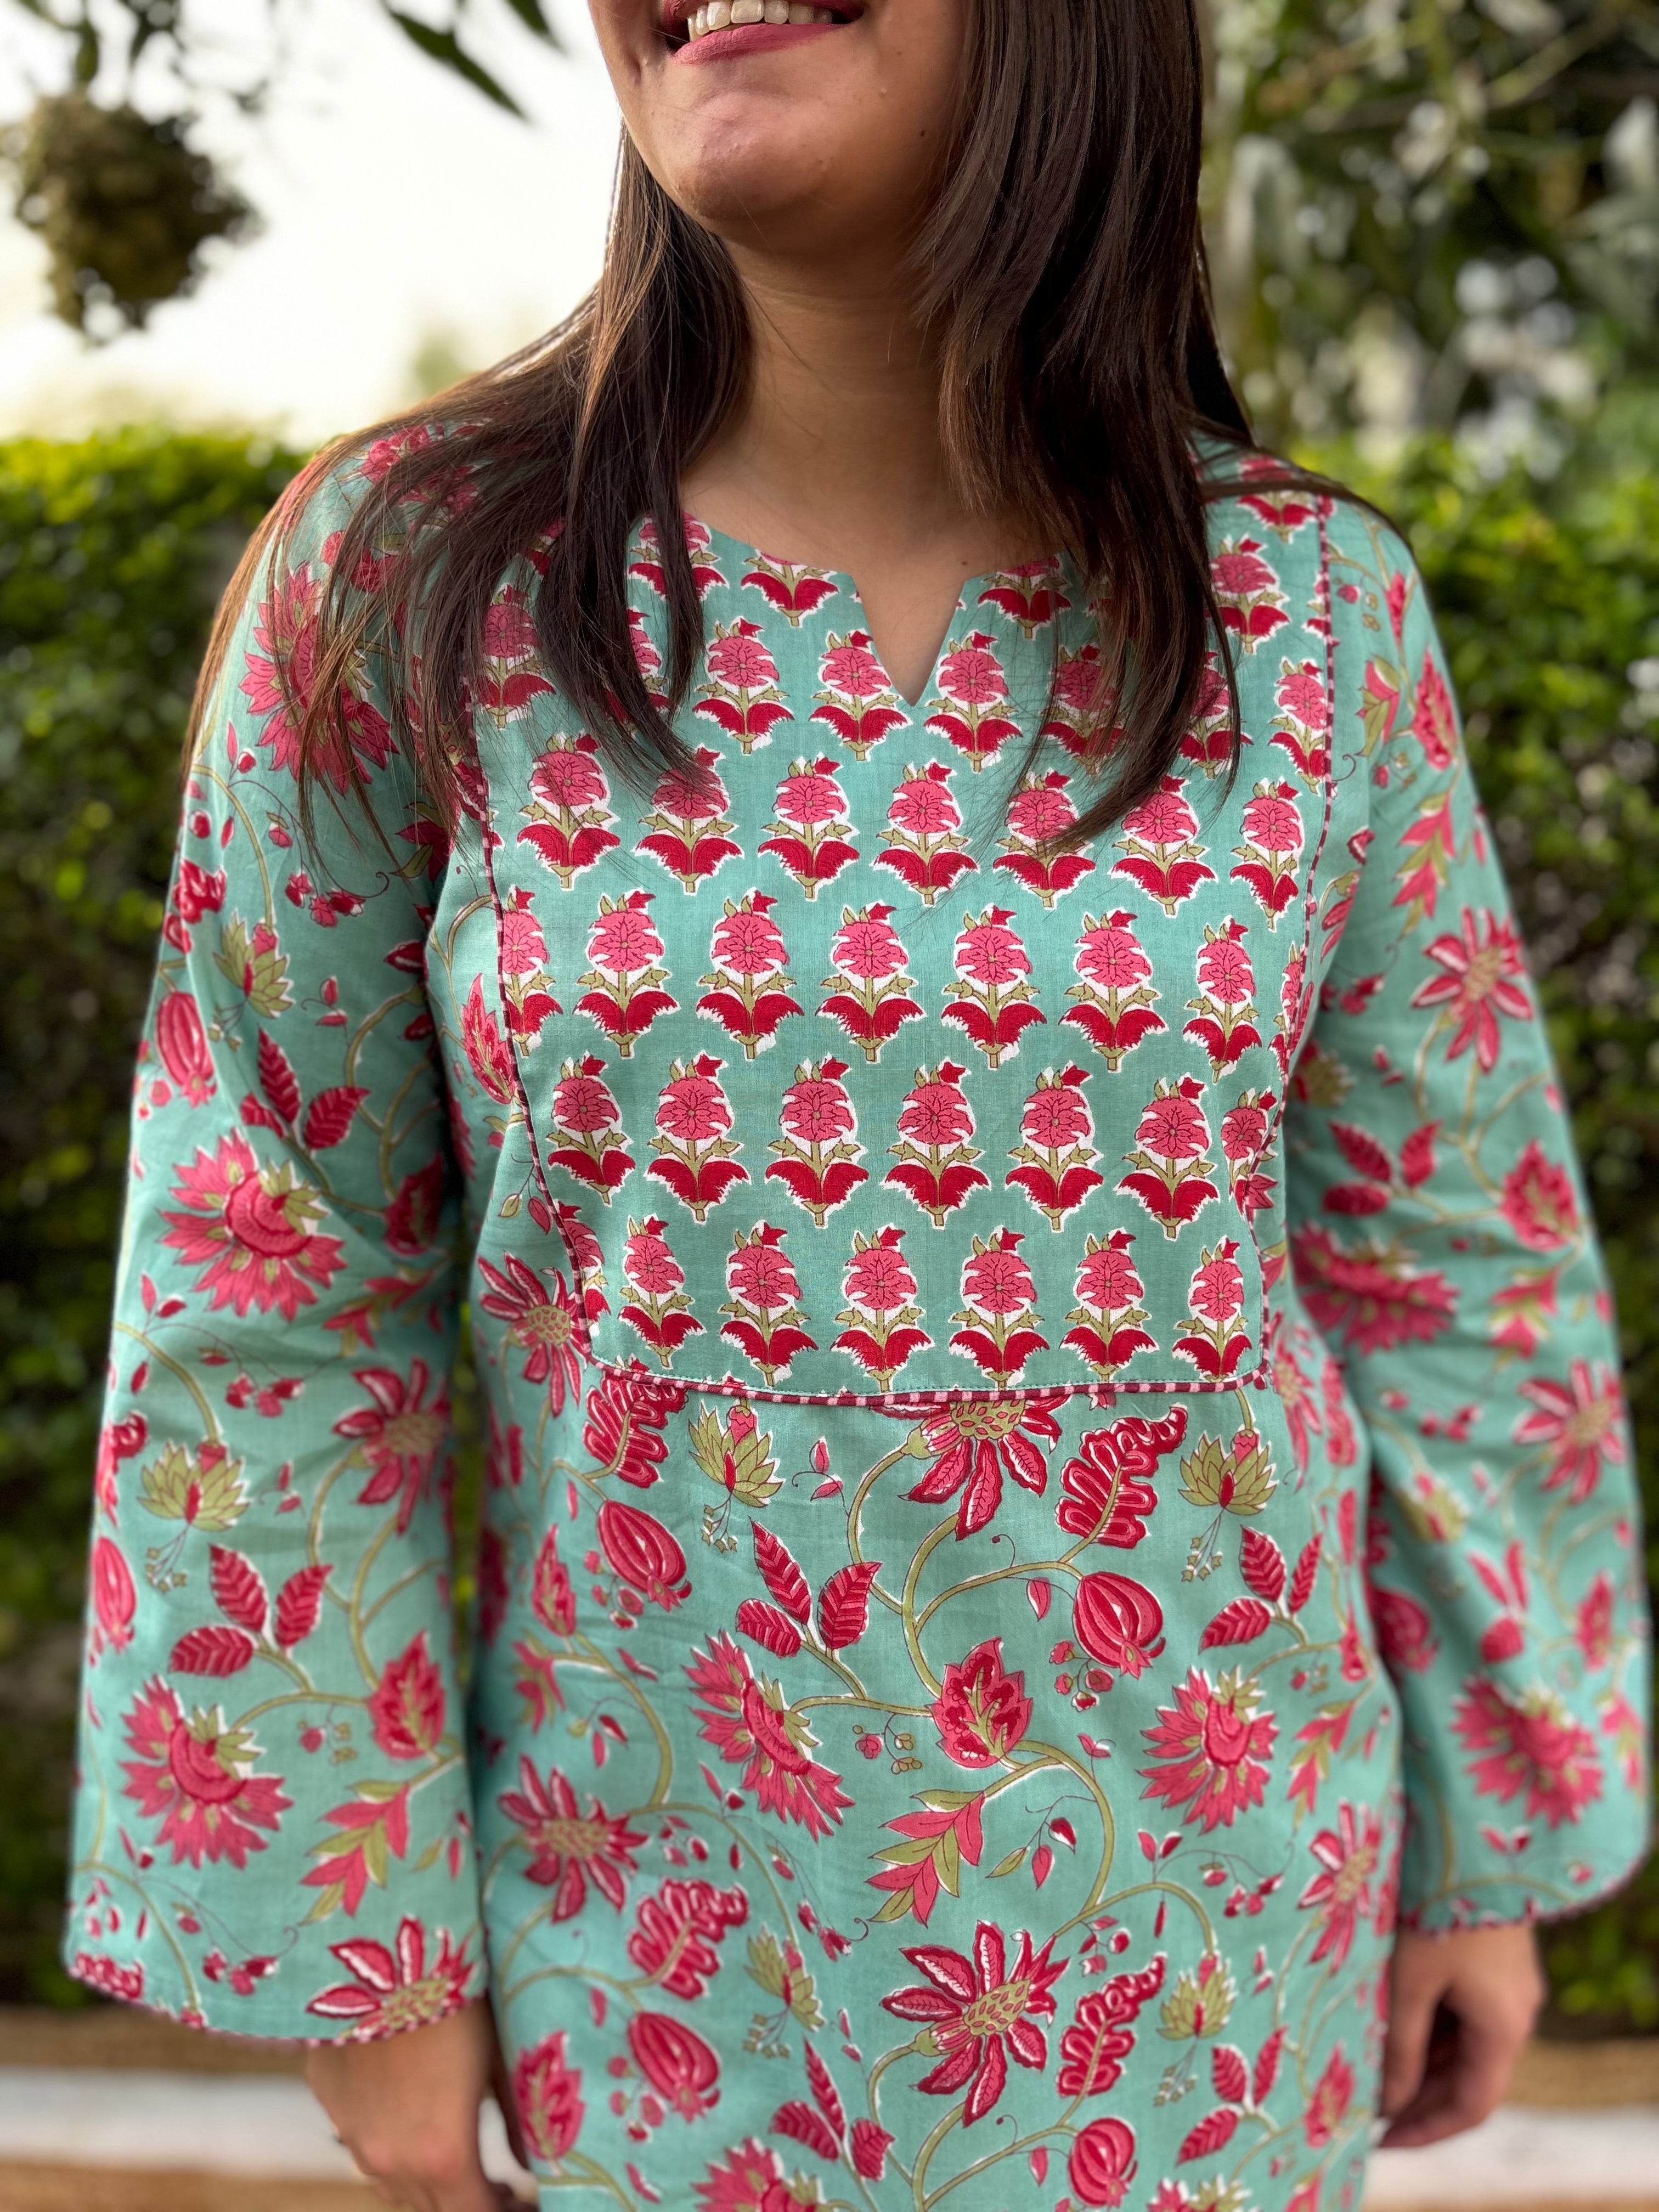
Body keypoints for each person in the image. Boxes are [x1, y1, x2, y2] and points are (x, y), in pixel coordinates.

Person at [64, 2, 1650, 2208]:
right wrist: (365, 1957)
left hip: (1216, 1989)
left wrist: (1490, 1841)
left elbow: (1451, 1256)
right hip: (653, 1989)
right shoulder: (416, 580)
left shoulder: (1308, 619)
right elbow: (269, 1289)